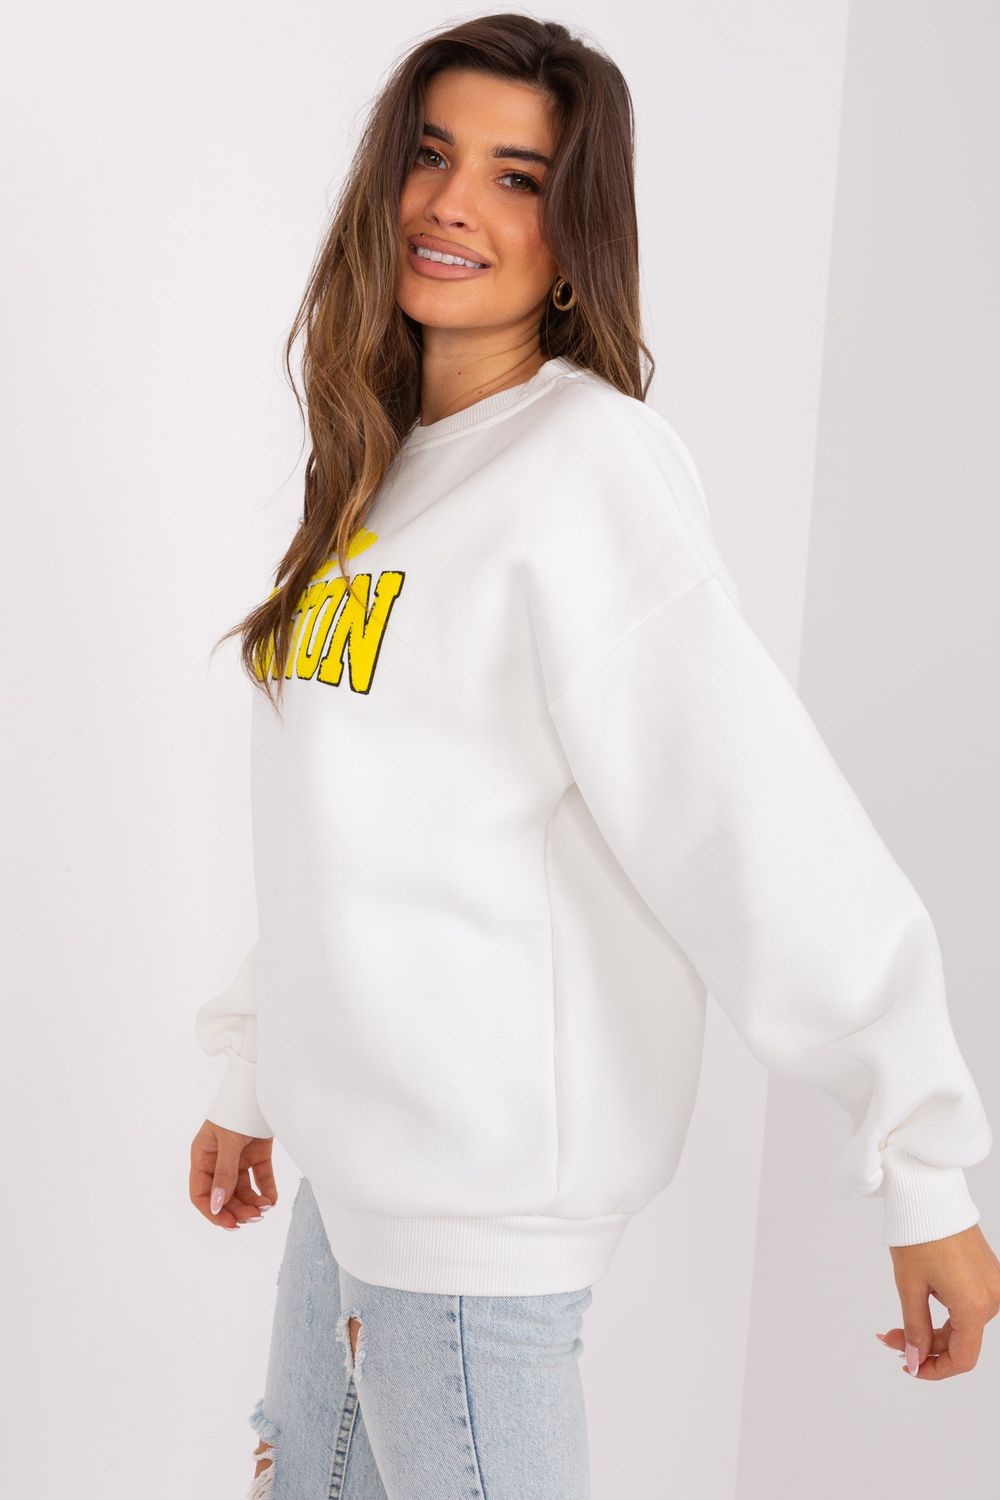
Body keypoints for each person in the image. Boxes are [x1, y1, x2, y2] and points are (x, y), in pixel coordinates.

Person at [187, 14, 999, 1498]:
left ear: (573, 238)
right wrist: (255, 1070)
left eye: (517, 177)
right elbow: (350, 833)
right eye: (431, 155)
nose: (453, 204)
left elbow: (747, 815)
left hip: (475, 1238)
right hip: (351, 1200)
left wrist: (921, 1157)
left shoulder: (586, 470)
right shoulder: (379, 475)